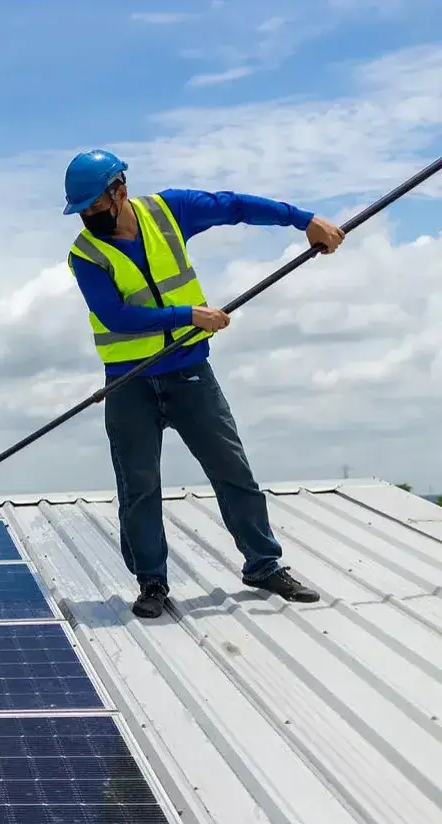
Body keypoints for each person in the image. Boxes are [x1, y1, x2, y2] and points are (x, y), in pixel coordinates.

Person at [62, 149, 343, 618]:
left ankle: (263, 565)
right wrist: (188, 315)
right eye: (83, 210)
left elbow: (234, 205)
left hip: (190, 372)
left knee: (232, 470)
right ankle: (152, 583)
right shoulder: (84, 254)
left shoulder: (169, 211)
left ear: (120, 190)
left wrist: (304, 220)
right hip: (128, 384)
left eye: (95, 205)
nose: (90, 217)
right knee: (139, 487)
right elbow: (116, 315)